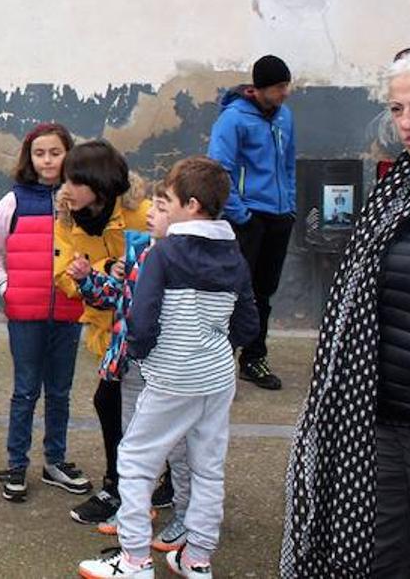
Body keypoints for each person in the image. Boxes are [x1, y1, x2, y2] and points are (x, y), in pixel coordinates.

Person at [284, 47, 410, 578]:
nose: (407, 124)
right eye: (397, 110)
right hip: (375, 416)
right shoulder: (395, 190)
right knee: (383, 561)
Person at [77, 157, 257, 579]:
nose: (163, 206)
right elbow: (248, 322)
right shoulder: (234, 253)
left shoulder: (165, 252)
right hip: (217, 379)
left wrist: (148, 354)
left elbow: (141, 319)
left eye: (169, 199)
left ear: (191, 205)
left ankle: (135, 560)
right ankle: (196, 558)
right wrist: (215, 349)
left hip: (173, 377)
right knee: (207, 467)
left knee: (136, 461)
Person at [73, 186, 192, 550]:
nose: (150, 215)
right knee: (134, 445)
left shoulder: (184, 260)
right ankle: (134, 511)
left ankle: (187, 518)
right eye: (152, 207)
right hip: (131, 365)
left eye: (159, 209)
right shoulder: (142, 250)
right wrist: (86, 278)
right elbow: (116, 296)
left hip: (167, 370)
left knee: (179, 448)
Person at [0, 122, 86, 504]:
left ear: (68, 155)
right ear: (30, 157)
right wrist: (5, 287)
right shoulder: (14, 200)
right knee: (26, 391)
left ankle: (55, 461)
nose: (47, 160)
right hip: (25, 314)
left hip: (68, 311)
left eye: (55, 153)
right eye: (40, 153)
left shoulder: (80, 200)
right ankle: (16, 464)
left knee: (59, 391)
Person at [207, 53, 296, 391]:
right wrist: (241, 214)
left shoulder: (285, 117)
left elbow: (289, 164)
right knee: (234, 291)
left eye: (287, 85)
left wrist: (290, 205)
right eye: (278, 87)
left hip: (279, 217)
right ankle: (219, 363)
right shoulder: (233, 120)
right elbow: (219, 169)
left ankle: (254, 359)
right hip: (247, 219)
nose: (285, 92)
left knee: (264, 293)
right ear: (258, 89)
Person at [56, 141, 133, 525]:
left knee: (130, 408)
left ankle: (127, 486)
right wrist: (102, 271)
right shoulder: (68, 219)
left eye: (74, 181)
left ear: (100, 187)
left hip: (147, 334)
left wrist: (104, 269)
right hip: (108, 333)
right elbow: (64, 275)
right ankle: (117, 485)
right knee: (111, 403)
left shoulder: (141, 215)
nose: (64, 188)